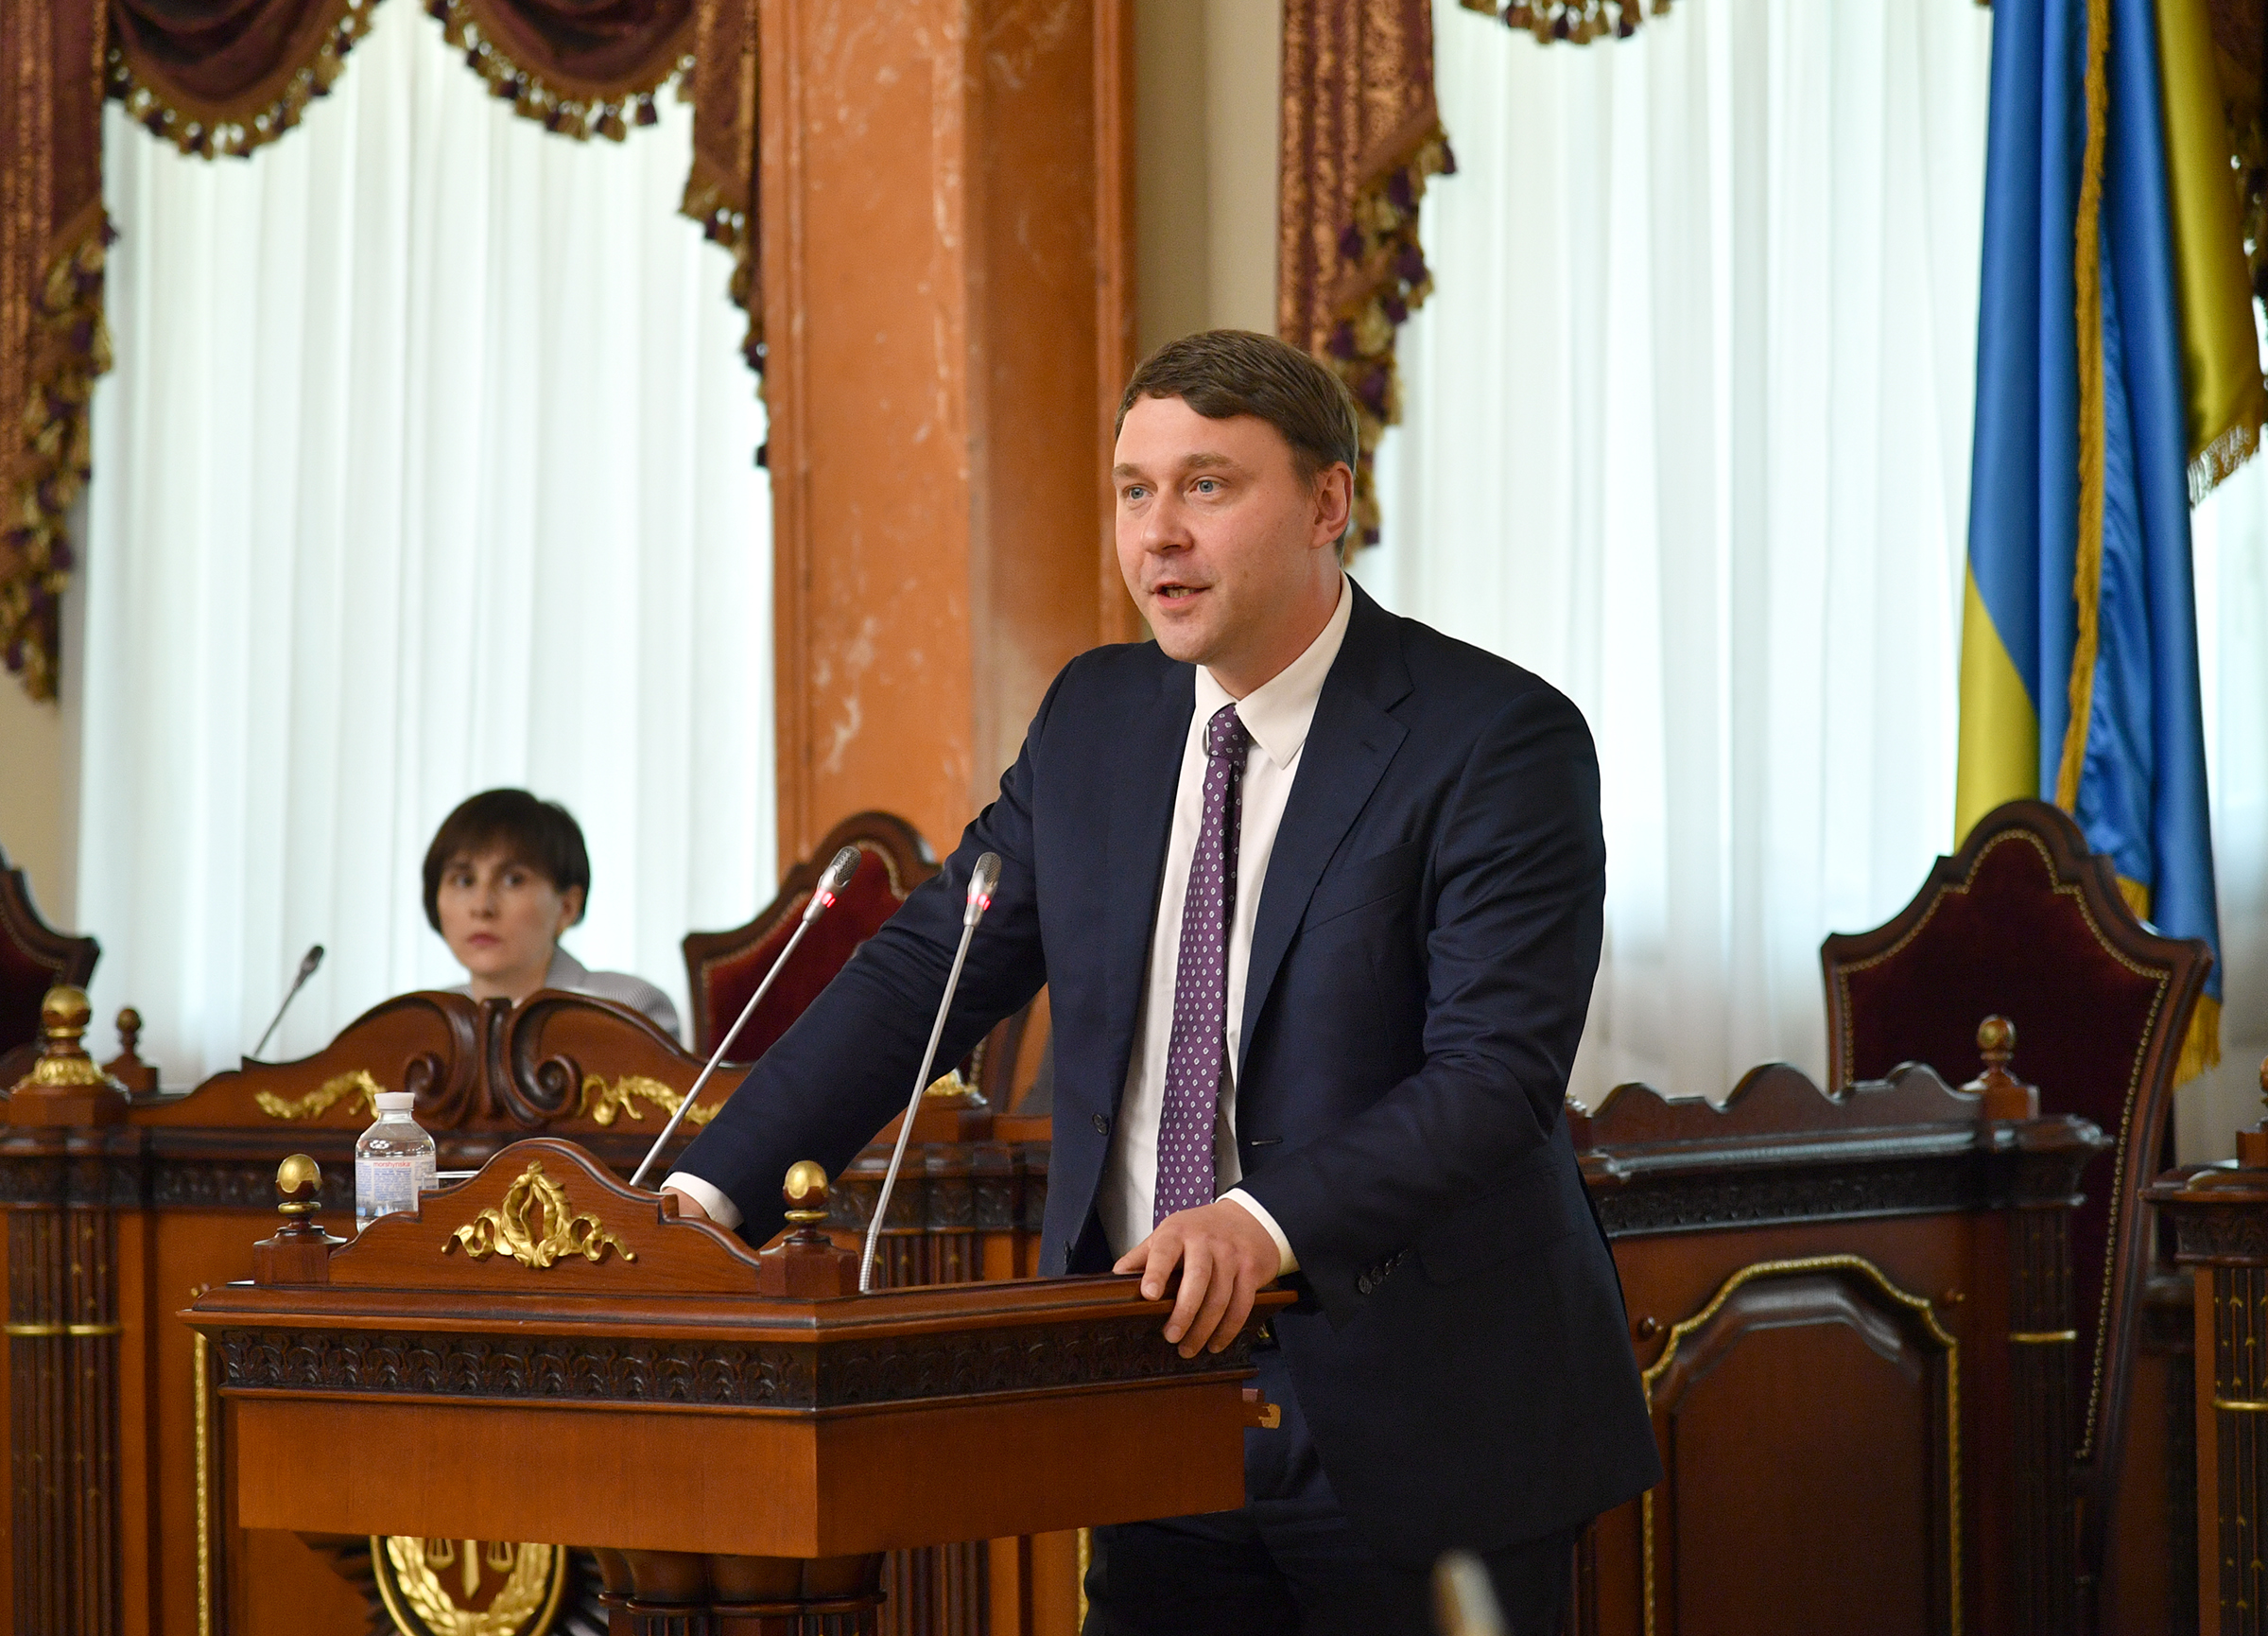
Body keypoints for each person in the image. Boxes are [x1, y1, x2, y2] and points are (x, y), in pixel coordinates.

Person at [664, 330, 1656, 1633]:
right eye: (1135, 490)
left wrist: (1259, 1219)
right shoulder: (1096, 717)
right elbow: (925, 973)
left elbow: (1493, 1077)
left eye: (1206, 486)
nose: (1158, 534)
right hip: (1148, 1382)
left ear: (1326, 504)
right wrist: (704, 1196)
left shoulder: (1494, 738)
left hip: (1423, 1403)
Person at [423, 788, 683, 1038]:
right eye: (464, 881)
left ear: (567, 907)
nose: (482, 907)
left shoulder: (628, 1009)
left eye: (513, 880)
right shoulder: (421, 1023)